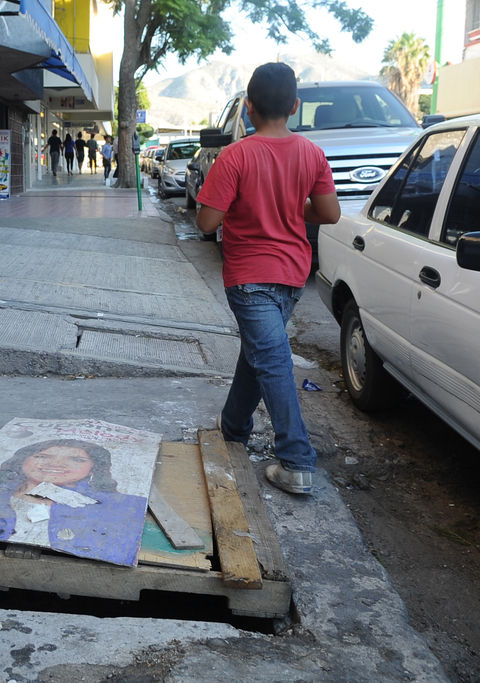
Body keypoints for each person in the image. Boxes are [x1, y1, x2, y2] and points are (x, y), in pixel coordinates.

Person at [195, 62, 340, 495]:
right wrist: (293, 208)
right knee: (261, 352)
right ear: (295, 106)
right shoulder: (312, 154)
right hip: (292, 276)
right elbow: (329, 213)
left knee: (271, 360)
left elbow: (206, 222)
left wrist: (240, 203)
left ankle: (296, 461)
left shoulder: (235, 156)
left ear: (249, 107)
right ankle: (233, 428)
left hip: (248, 277)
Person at [0, 438, 148, 566]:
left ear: (94, 468)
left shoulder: (125, 506)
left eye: (76, 459)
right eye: (42, 456)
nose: (56, 464)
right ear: (21, 461)